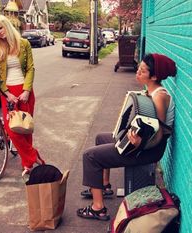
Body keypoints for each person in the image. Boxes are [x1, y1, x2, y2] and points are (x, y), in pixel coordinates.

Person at [77, 53, 177, 221]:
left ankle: (98, 208)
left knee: (90, 156)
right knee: (101, 138)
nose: (138, 72)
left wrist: (140, 144)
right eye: (139, 67)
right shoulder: (151, 91)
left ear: (154, 76)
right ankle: (104, 186)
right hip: (142, 145)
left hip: (148, 151)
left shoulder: (159, 96)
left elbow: (158, 134)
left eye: (143, 71)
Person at [0, 14, 44, 176]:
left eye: (0, 28)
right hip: (8, 94)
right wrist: (6, 93)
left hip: (25, 92)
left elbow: (30, 68)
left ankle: (27, 164)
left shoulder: (24, 44)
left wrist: (26, 90)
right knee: (11, 130)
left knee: (26, 129)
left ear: (7, 26)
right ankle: (34, 156)